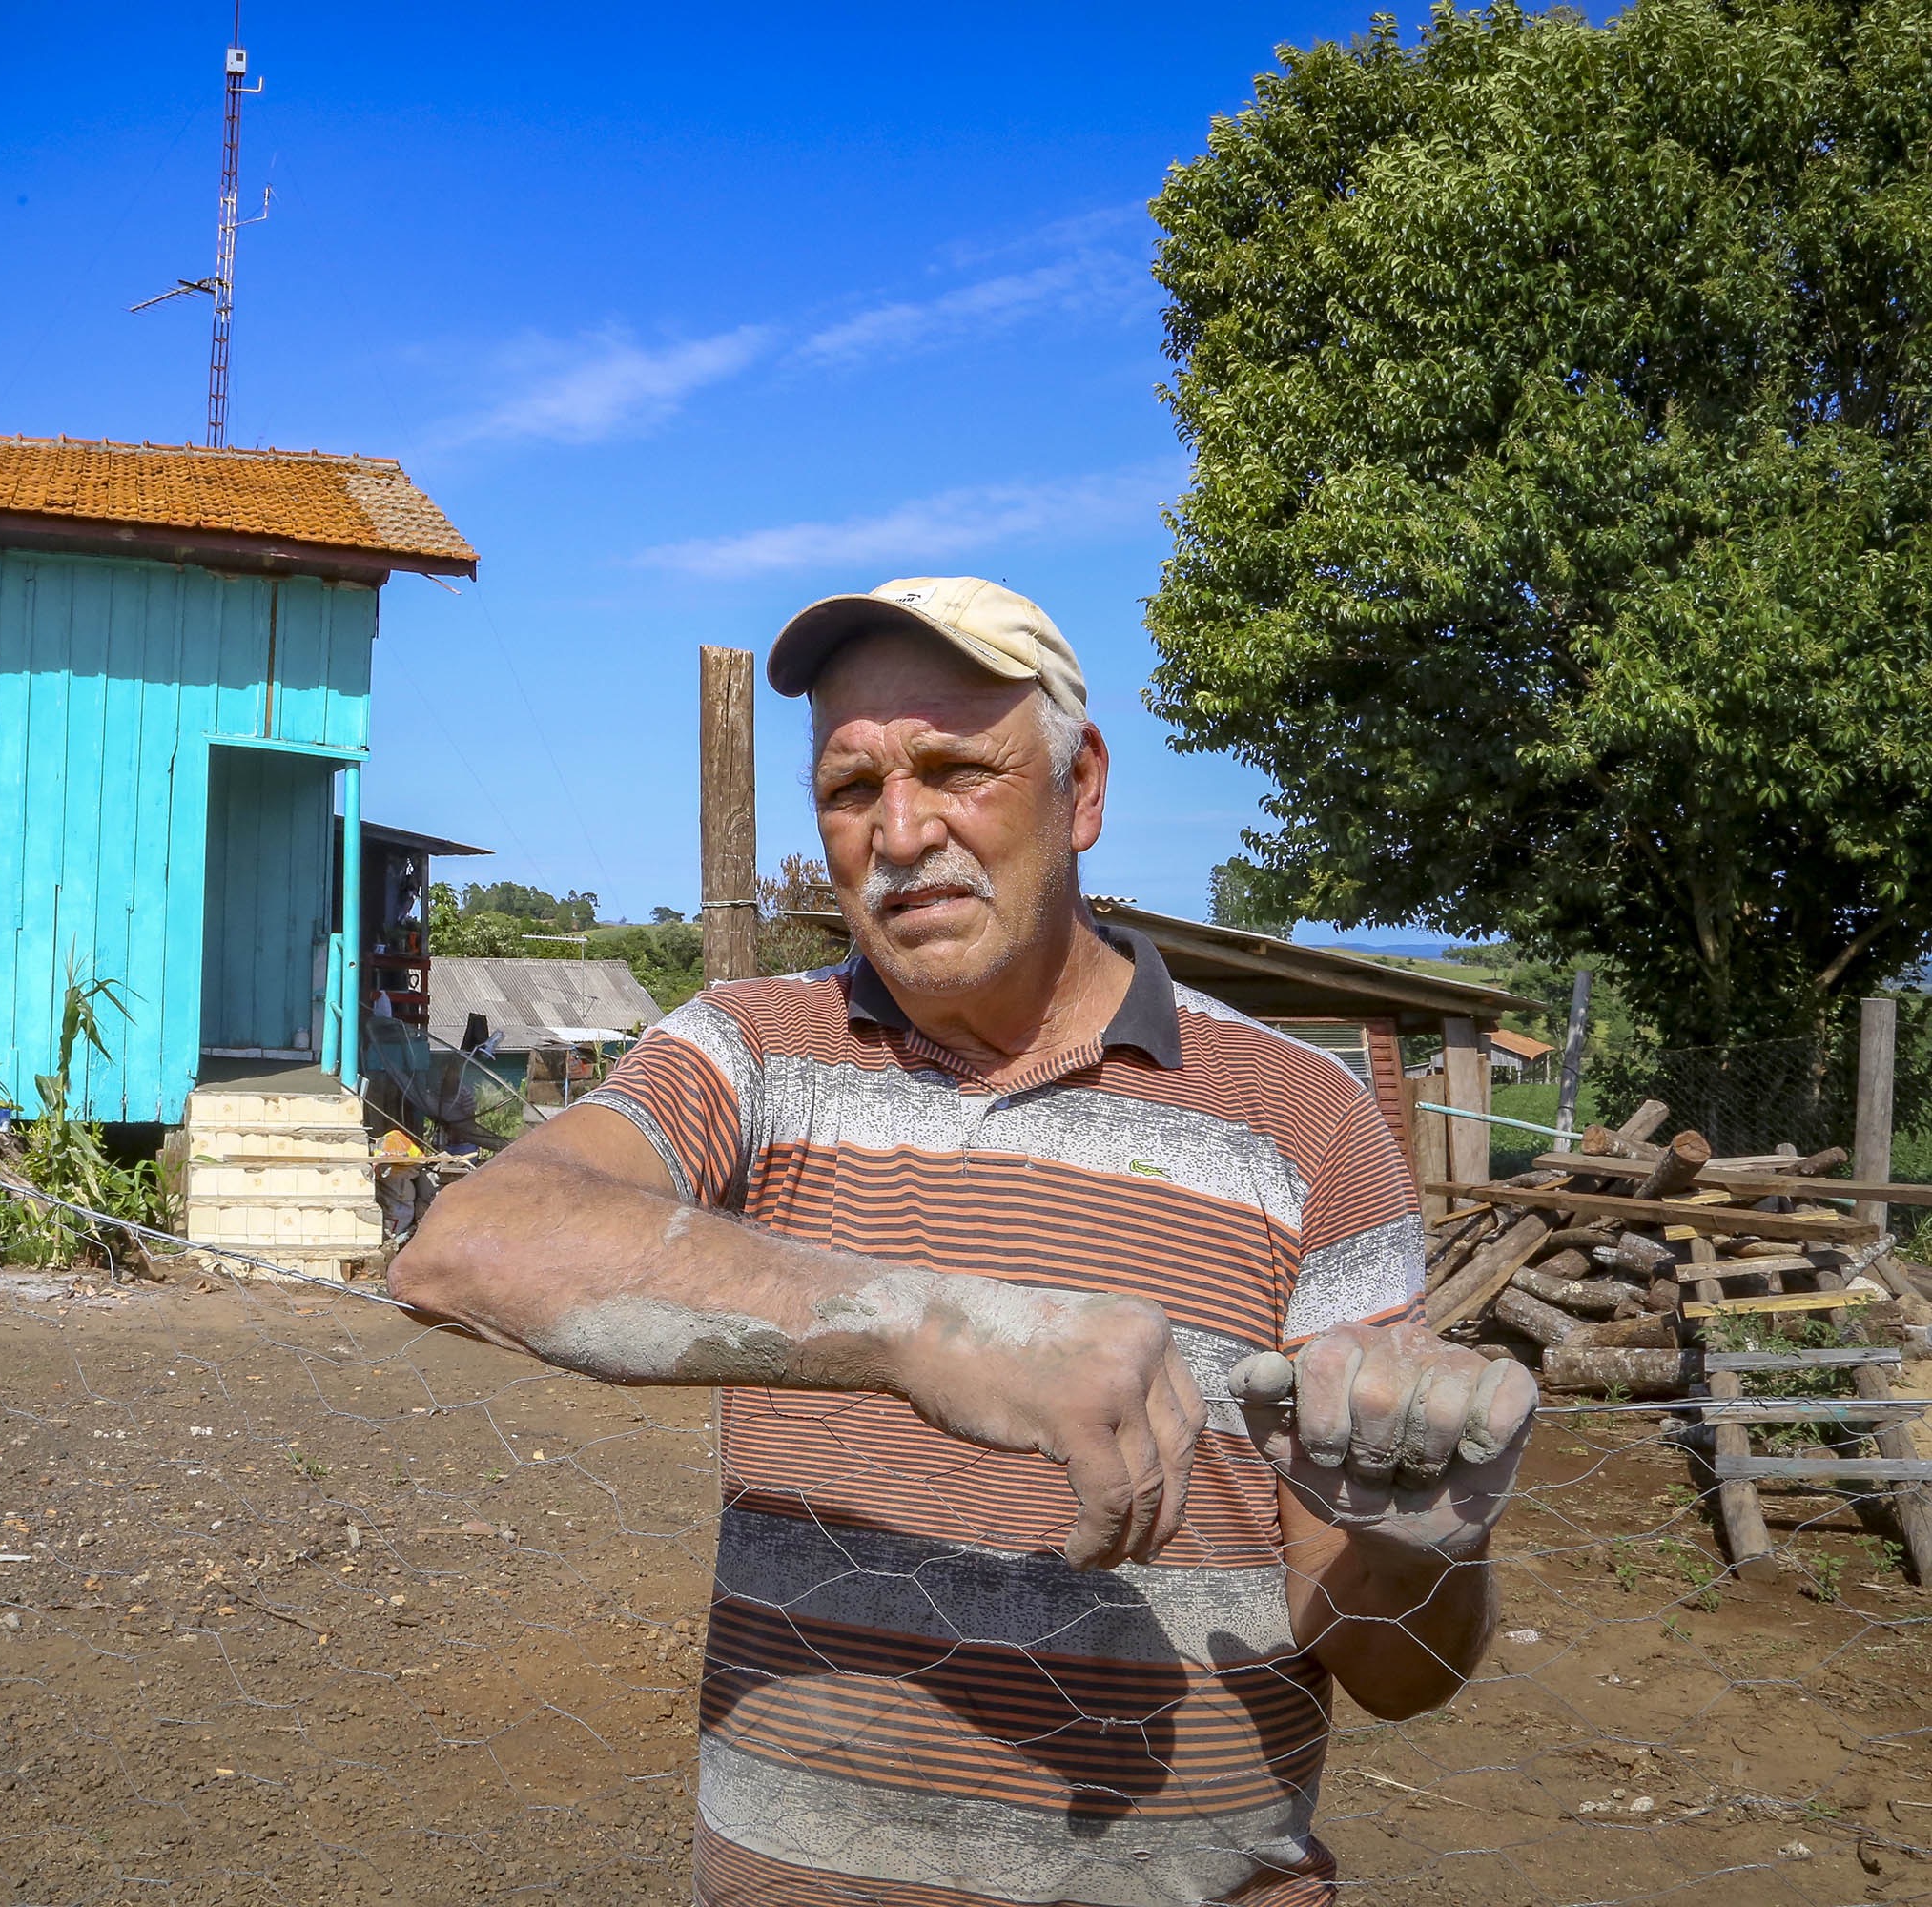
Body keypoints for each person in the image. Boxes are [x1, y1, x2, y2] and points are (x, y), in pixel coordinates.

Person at [388, 577, 1535, 1907]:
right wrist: (923, 1329)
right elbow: (465, 1249)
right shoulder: (757, 1053)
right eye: (850, 787)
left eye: (954, 767)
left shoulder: (1303, 1118)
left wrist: (1417, 1552)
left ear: (1082, 788)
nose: (901, 830)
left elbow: (1401, 1679)